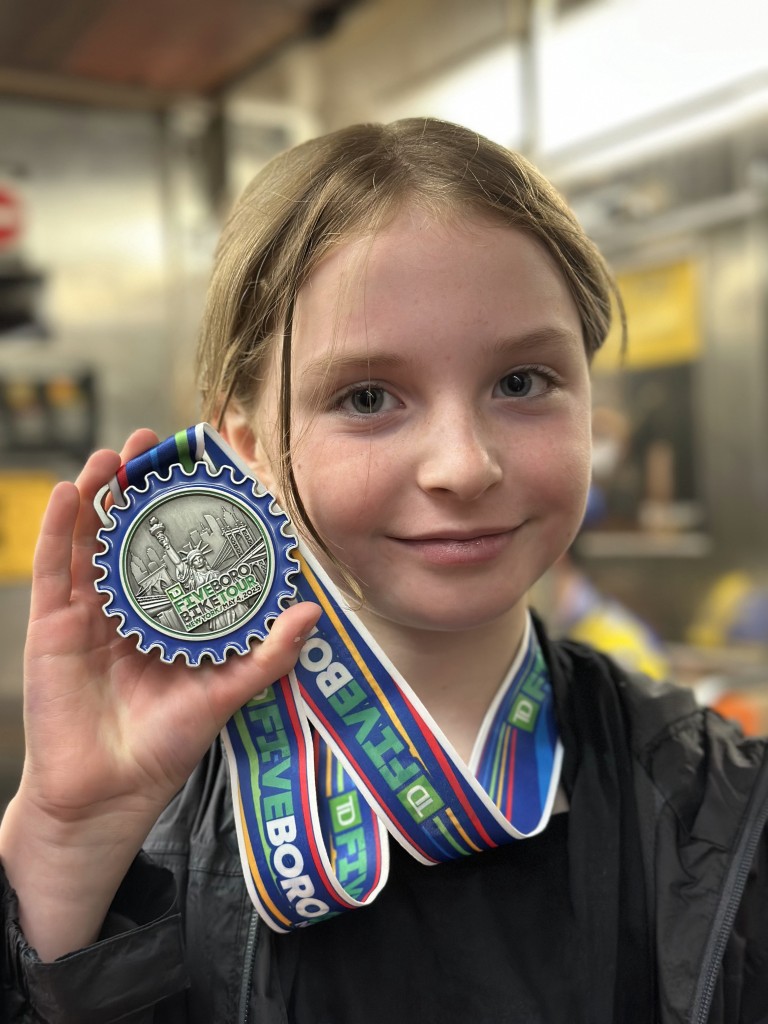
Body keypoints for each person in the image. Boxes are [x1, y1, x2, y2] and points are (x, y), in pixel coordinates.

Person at [1, 118, 767, 1024]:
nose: (464, 466)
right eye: (367, 397)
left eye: (523, 381)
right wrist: (70, 842)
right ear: (249, 449)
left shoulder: (726, 810)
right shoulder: (141, 815)